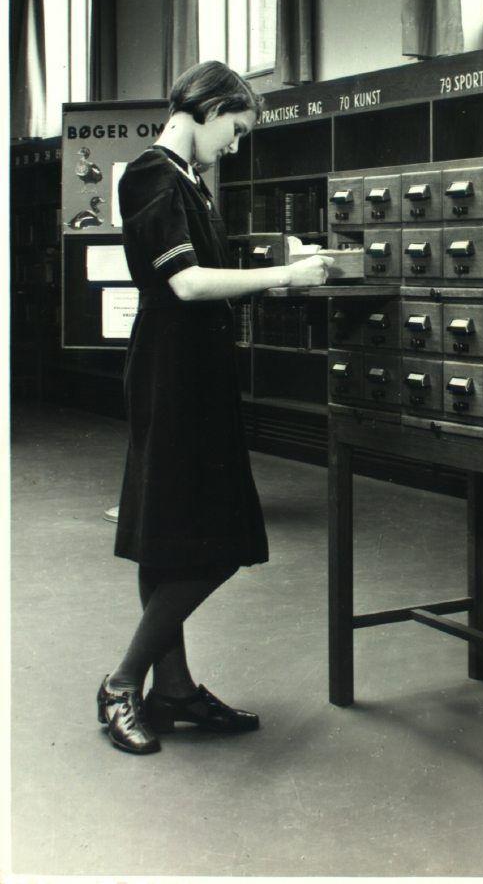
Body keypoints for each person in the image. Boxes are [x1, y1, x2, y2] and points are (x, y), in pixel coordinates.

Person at [98, 61, 333, 755]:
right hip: (172, 373)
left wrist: (279, 255)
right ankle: (122, 683)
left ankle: (171, 689)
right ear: (206, 108)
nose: (235, 143)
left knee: (168, 533)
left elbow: (213, 263)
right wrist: (284, 277)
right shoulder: (150, 175)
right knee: (218, 540)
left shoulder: (190, 182)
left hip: (196, 370)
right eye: (234, 127)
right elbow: (189, 282)